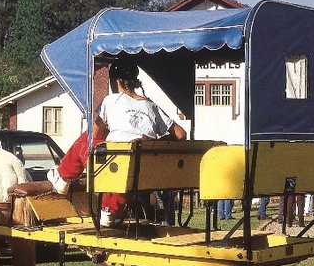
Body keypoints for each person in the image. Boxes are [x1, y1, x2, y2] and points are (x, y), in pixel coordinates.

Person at [12, 60, 187, 227]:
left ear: (117, 80)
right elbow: (181, 134)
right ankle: (109, 209)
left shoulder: (111, 101)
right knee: (124, 162)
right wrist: (152, 141)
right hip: (145, 169)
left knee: (88, 139)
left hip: (115, 164)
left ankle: (62, 178)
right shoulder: (151, 105)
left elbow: (96, 133)